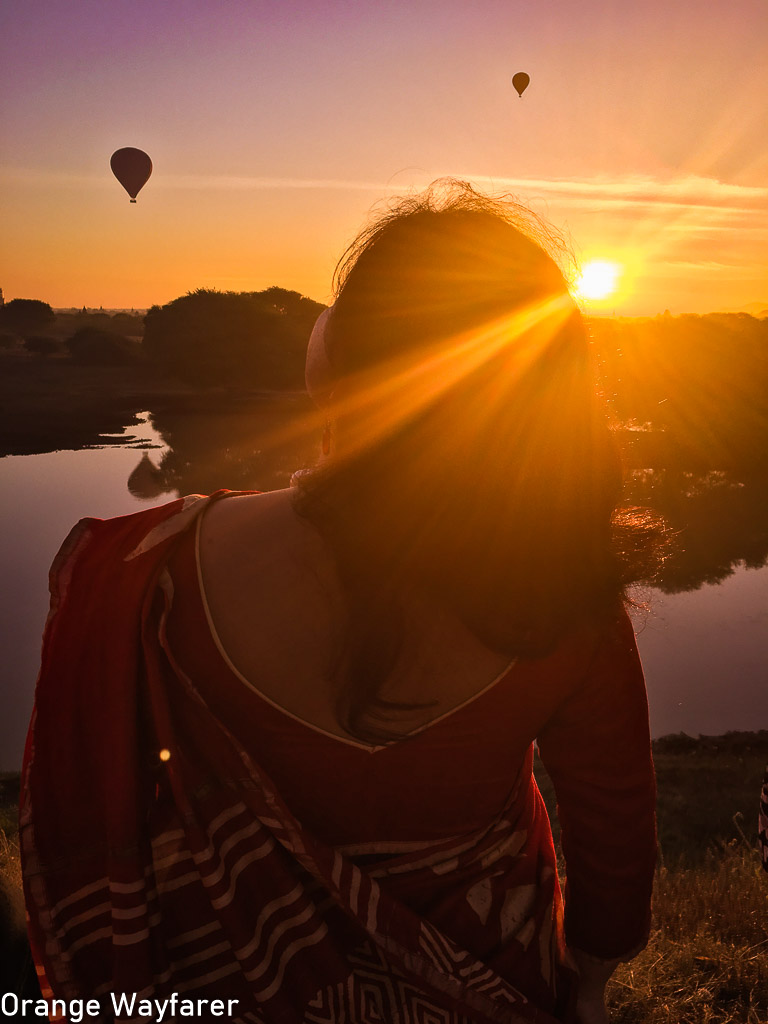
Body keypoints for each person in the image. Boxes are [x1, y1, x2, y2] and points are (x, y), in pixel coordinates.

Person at [21, 181, 657, 1024]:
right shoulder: (571, 601)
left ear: (337, 357)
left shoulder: (143, 569)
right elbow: (612, 826)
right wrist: (588, 980)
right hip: (486, 985)